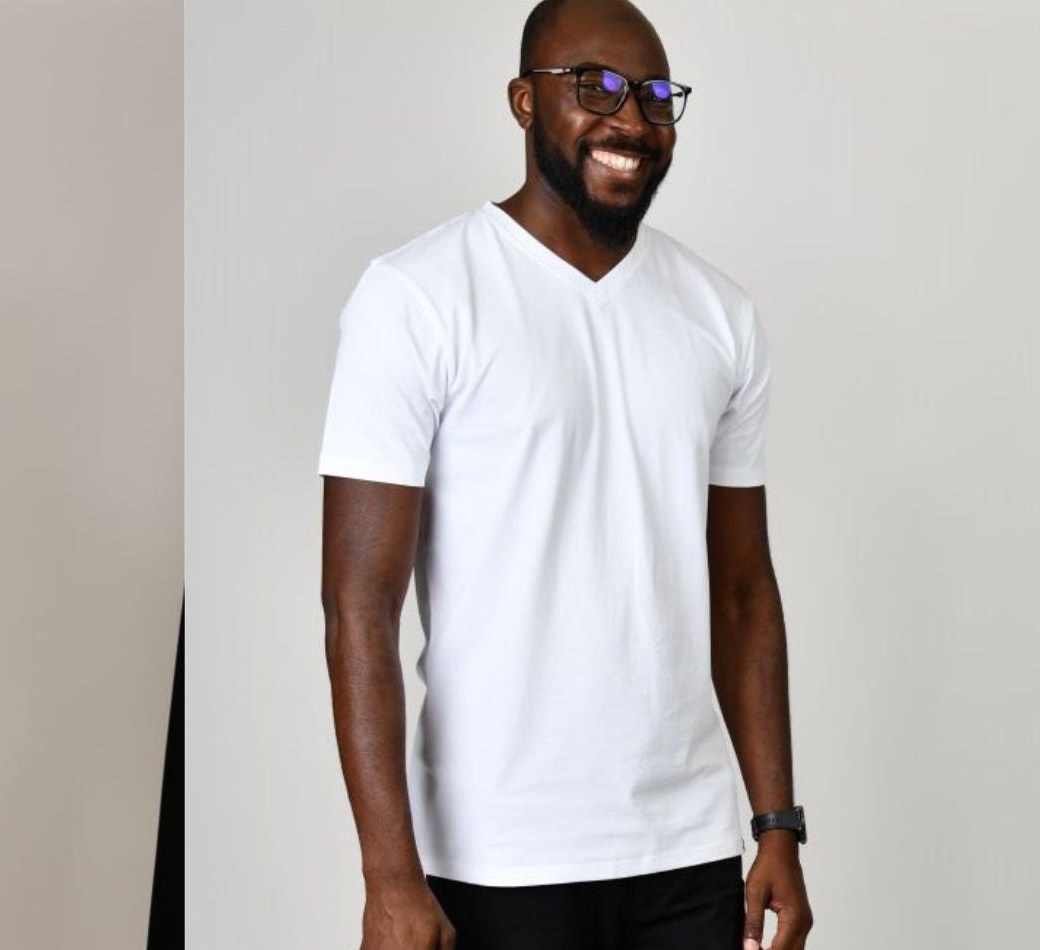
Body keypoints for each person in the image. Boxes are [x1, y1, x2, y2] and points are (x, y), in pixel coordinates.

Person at [314, 1, 811, 947]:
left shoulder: (719, 315)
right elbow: (357, 606)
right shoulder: (416, 296)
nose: (631, 120)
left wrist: (775, 826)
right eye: (595, 87)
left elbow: (744, 591)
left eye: (655, 97)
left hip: (687, 851)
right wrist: (389, 877)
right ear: (522, 101)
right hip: (495, 852)